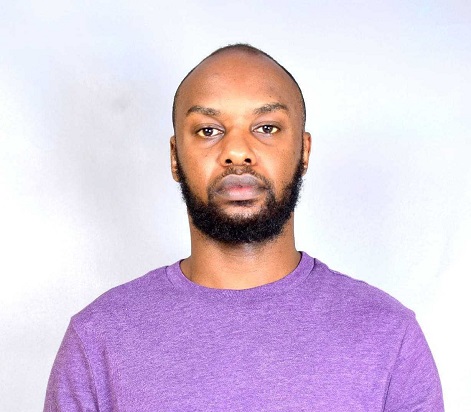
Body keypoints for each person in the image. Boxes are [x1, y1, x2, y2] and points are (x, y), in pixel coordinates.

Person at [44, 44, 443, 411]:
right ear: (175, 156)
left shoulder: (389, 336)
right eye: (208, 130)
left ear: (304, 152)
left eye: (266, 127)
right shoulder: (97, 339)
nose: (237, 152)